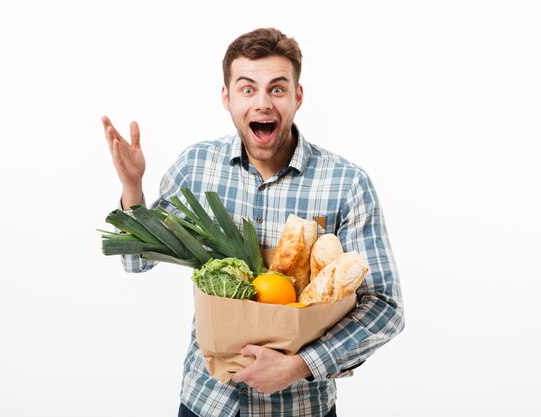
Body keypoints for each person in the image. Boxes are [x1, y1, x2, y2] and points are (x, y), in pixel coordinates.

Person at [102, 27, 404, 417]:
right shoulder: (197, 167)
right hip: (206, 402)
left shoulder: (346, 184)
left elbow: (385, 306)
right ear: (226, 97)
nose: (262, 103)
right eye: (247, 89)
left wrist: (300, 366)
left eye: (277, 89)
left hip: (300, 407)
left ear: (298, 96)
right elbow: (136, 261)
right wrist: (132, 189)